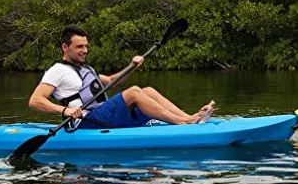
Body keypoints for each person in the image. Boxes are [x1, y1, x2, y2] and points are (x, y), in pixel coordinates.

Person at [29, 24, 215, 129]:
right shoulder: (57, 70)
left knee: (148, 91)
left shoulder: (84, 69)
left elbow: (112, 81)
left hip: (101, 116)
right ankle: (182, 123)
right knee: (134, 92)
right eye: (79, 47)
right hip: (85, 122)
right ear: (65, 47)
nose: (85, 50)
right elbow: (35, 101)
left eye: (86, 46)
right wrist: (65, 111)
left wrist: (132, 66)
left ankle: (188, 118)